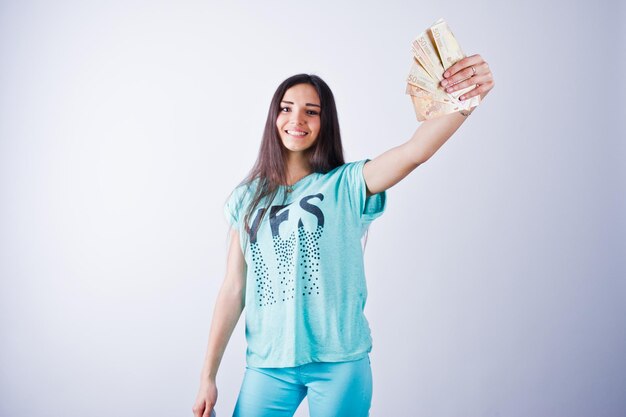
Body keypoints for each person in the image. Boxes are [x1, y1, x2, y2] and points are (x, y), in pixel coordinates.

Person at [193, 55, 495, 417]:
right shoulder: (247, 198)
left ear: (326, 121)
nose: (297, 120)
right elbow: (232, 289)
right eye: (287, 108)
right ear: (274, 117)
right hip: (268, 363)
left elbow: (415, 152)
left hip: (339, 362)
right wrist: (207, 376)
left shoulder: (348, 183)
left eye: (311, 111)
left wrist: (464, 101)